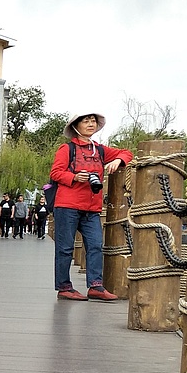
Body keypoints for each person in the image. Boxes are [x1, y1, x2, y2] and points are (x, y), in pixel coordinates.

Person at [52, 113, 132, 301]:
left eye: (93, 121)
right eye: (85, 121)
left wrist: (118, 161)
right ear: (76, 127)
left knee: (96, 245)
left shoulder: (100, 150)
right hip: (67, 205)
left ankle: (95, 285)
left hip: (91, 208)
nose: (90, 124)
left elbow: (127, 152)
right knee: (65, 248)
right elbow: (56, 173)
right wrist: (74, 177)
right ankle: (64, 287)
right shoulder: (67, 149)